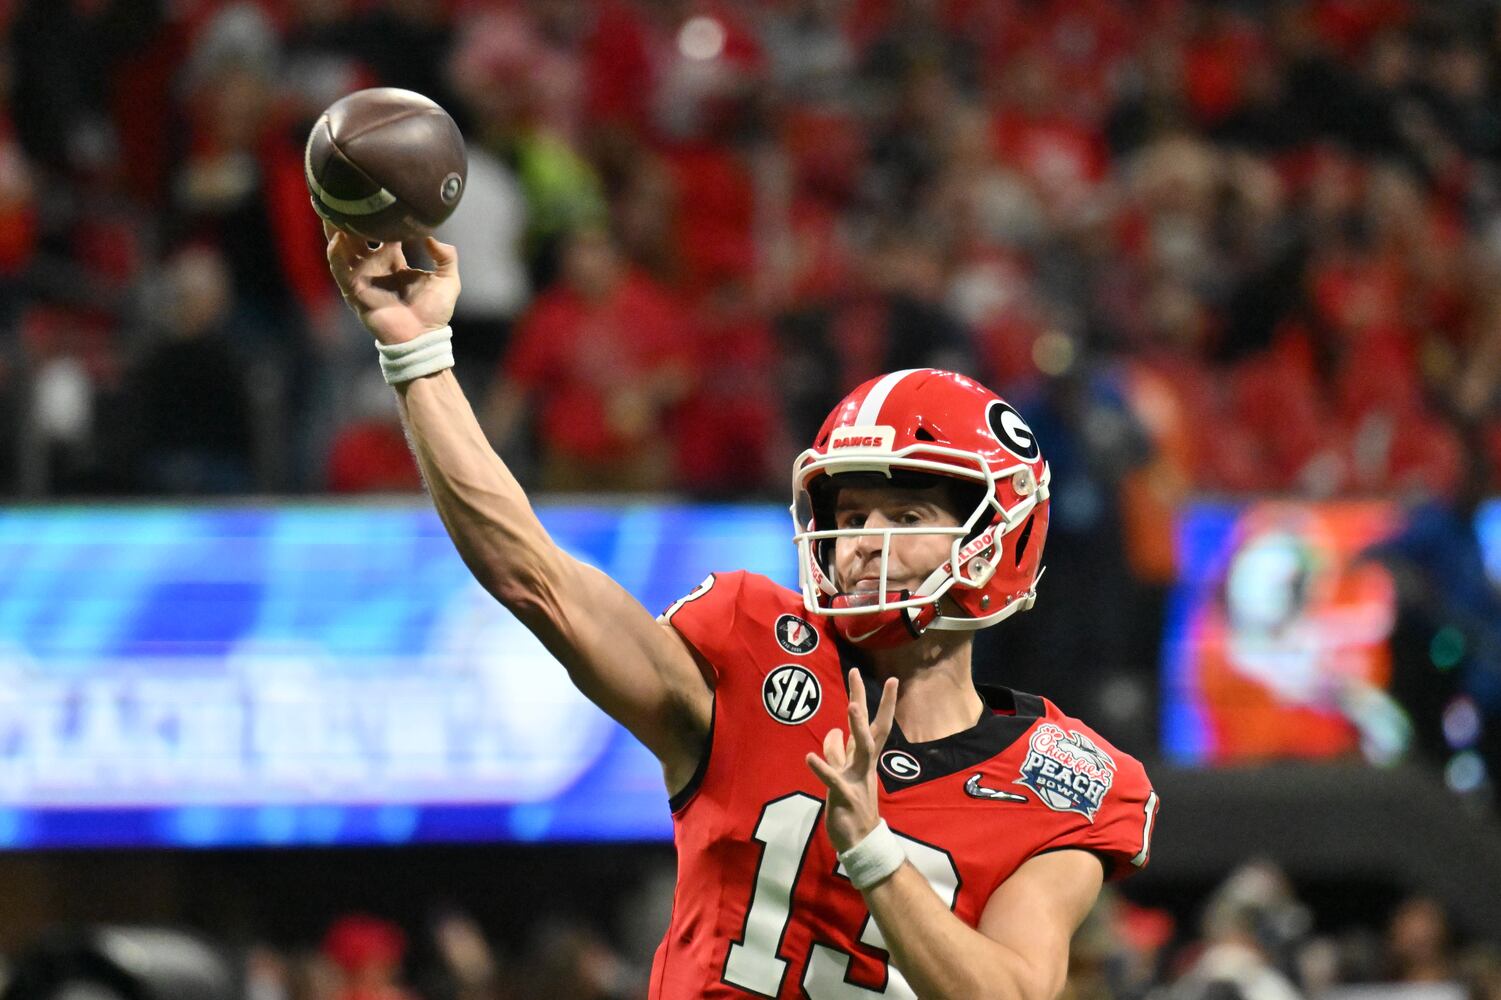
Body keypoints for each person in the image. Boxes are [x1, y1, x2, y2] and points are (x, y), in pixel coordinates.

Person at [322, 224, 1160, 999]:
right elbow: (533, 576)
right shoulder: (757, 649)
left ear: (994, 543)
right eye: (852, 513)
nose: (864, 541)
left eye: (903, 518)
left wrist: (869, 850)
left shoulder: (1065, 779)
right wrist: (417, 352)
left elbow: (1010, 995)